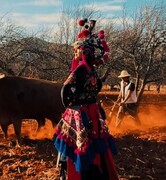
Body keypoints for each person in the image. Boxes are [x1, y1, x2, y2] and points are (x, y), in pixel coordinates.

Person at [54, 18, 118, 180]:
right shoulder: (93, 71)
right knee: (94, 141)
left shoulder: (81, 69)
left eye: (76, 51)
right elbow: (98, 87)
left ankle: (76, 174)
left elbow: (65, 89)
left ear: (83, 52)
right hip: (92, 111)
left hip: (79, 113)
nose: (74, 54)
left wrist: (69, 106)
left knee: (76, 143)